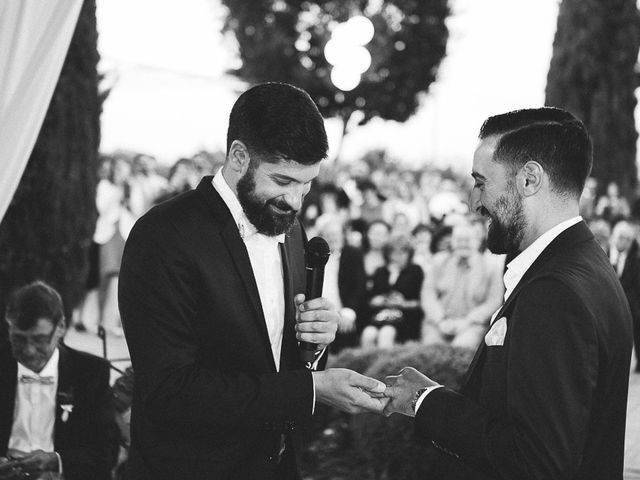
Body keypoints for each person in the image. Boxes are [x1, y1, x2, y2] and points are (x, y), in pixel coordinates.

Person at [118, 82, 386, 480]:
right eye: (283, 181)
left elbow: (278, 356)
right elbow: (169, 391)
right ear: (239, 157)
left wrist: (314, 341)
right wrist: (311, 389)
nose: (296, 201)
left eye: (306, 183)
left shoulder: (290, 228)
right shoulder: (163, 236)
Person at [383, 107, 633, 480]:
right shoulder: (585, 263)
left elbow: (534, 461)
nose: (474, 202)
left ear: (529, 179)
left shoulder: (555, 292)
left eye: (482, 182)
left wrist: (425, 402)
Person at [0, 281, 119, 480]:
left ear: (61, 327)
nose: (29, 351)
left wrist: (57, 461)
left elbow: (107, 452)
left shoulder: (89, 373)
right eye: (19, 339)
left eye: (39, 339)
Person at [421, 221, 504, 348]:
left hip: (472, 324)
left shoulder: (491, 266)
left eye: (468, 240)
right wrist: (440, 320)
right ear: (453, 242)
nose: (463, 244)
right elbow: (428, 295)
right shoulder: (439, 261)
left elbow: (494, 301)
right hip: (438, 322)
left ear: (477, 241)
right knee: (431, 347)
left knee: (462, 346)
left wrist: (467, 321)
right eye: (459, 240)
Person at [361, 237, 424, 348]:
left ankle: (385, 365)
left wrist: (403, 303)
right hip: (380, 315)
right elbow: (369, 299)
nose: (397, 257)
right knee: (368, 334)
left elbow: (420, 301)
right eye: (393, 252)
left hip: (405, 318)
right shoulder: (380, 272)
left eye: (402, 253)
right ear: (388, 254)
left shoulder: (415, 271)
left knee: (386, 333)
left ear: (409, 254)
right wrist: (378, 300)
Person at [609, 220, 640, 373]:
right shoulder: (605, 253)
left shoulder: (635, 259)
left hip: (629, 303)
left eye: (628, 240)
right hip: (608, 303)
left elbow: (635, 285)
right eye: (621, 238)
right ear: (615, 237)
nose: (624, 242)